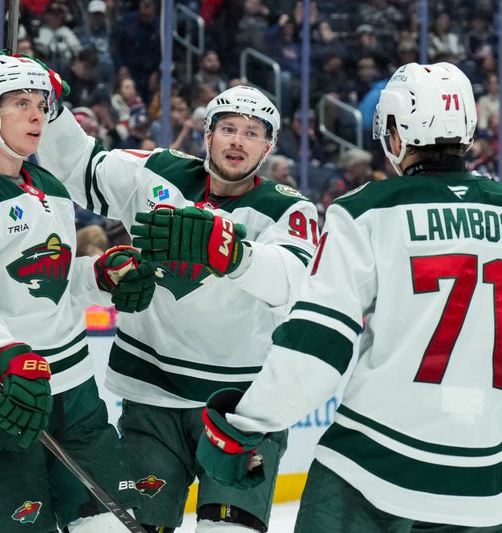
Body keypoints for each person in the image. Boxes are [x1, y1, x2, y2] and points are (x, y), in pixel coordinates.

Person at [192, 62, 502, 531]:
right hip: (489, 481)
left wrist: (249, 424)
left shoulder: (365, 212)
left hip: (376, 466)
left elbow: (317, 349)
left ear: (395, 133)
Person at [38, 79, 319, 532]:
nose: (238, 141)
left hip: (241, 409)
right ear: (207, 135)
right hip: (153, 400)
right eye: (228, 128)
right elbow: (78, 164)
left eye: (253, 132)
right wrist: (48, 109)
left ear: (268, 147)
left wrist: (232, 253)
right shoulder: (157, 171)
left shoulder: (289, 209)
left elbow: (295, 281)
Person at [0, 53, 152, 533]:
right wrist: (6, 354)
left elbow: (48, 283)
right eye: (20, 103)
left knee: (114, 525)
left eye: (41, 103)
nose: (38, 114)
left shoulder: (49, 186)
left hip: (75, 389)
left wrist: (100, 276)